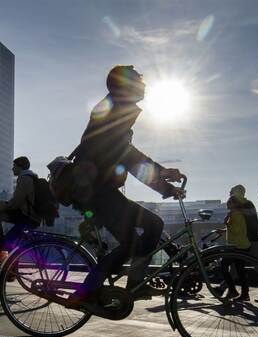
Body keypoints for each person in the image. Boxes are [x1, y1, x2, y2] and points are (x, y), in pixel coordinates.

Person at [70, 65, 185, 301]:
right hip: (96, 191)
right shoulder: (114, 110)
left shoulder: (116, 109)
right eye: (140, 81)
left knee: (135, 240)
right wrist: (163, 176)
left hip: (98, 189)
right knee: (153, 225)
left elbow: (127, 154)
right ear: (126, 86)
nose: (144, 85)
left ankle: (109, 288)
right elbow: (129, 157)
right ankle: (105, 289)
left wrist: (165, 180)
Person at [0, 156, 39, 260]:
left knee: (6, 241)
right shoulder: (32, 178)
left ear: (20, 167)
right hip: (32, 216)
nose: (12, 169)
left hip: (27, 217)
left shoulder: (24, 179)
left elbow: (16, 202)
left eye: (14, 166)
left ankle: (1, 252)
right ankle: (4, 260)